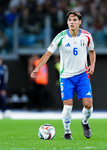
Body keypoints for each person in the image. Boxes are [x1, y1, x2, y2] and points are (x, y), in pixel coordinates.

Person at [31, 11, 96, 140]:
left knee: (88, 105)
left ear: (79, 22)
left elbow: (92, 51)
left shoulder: (87, 36)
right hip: (66, 77)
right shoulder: (61, 37)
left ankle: (84, 121)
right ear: (67, 22)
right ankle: (67, 132)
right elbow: (48, 54)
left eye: (74, 20)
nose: (72, 22)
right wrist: (37, 68)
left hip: (82, 75)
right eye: (70, 20)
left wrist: (92, 65)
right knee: (67, 106)